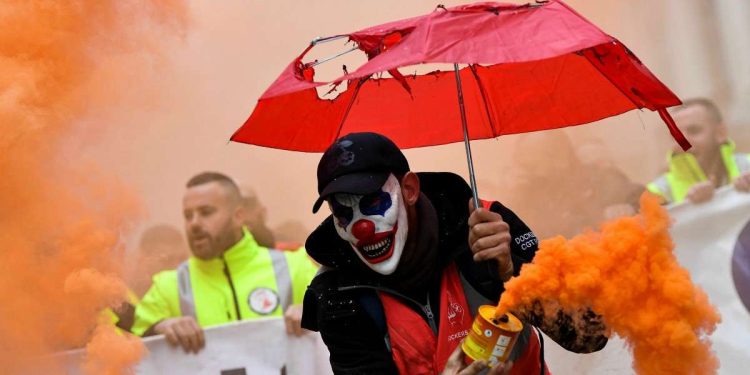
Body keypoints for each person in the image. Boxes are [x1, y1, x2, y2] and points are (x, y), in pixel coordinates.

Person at [300, 132, 608, 374]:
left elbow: (589, 335)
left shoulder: (487, 225)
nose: (362, 228)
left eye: (373, 203)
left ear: (409, 190)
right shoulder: (337, 292)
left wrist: (513, 273)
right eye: (343, 212)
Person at [132, 172, 319, 353]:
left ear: (238, 216)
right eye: (188, 215)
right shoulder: (168, 286)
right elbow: (130, 348)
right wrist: (158, 329)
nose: (194, 223)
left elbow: (343, 318)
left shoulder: (294, 267)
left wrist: (317, 313)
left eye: (206, 212)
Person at [647, 98, 750, 204]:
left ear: (721, 133)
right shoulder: (656, 193)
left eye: (694, 131)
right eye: (676, 135)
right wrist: (687, 209)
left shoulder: (748, 166)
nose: (683, 142)